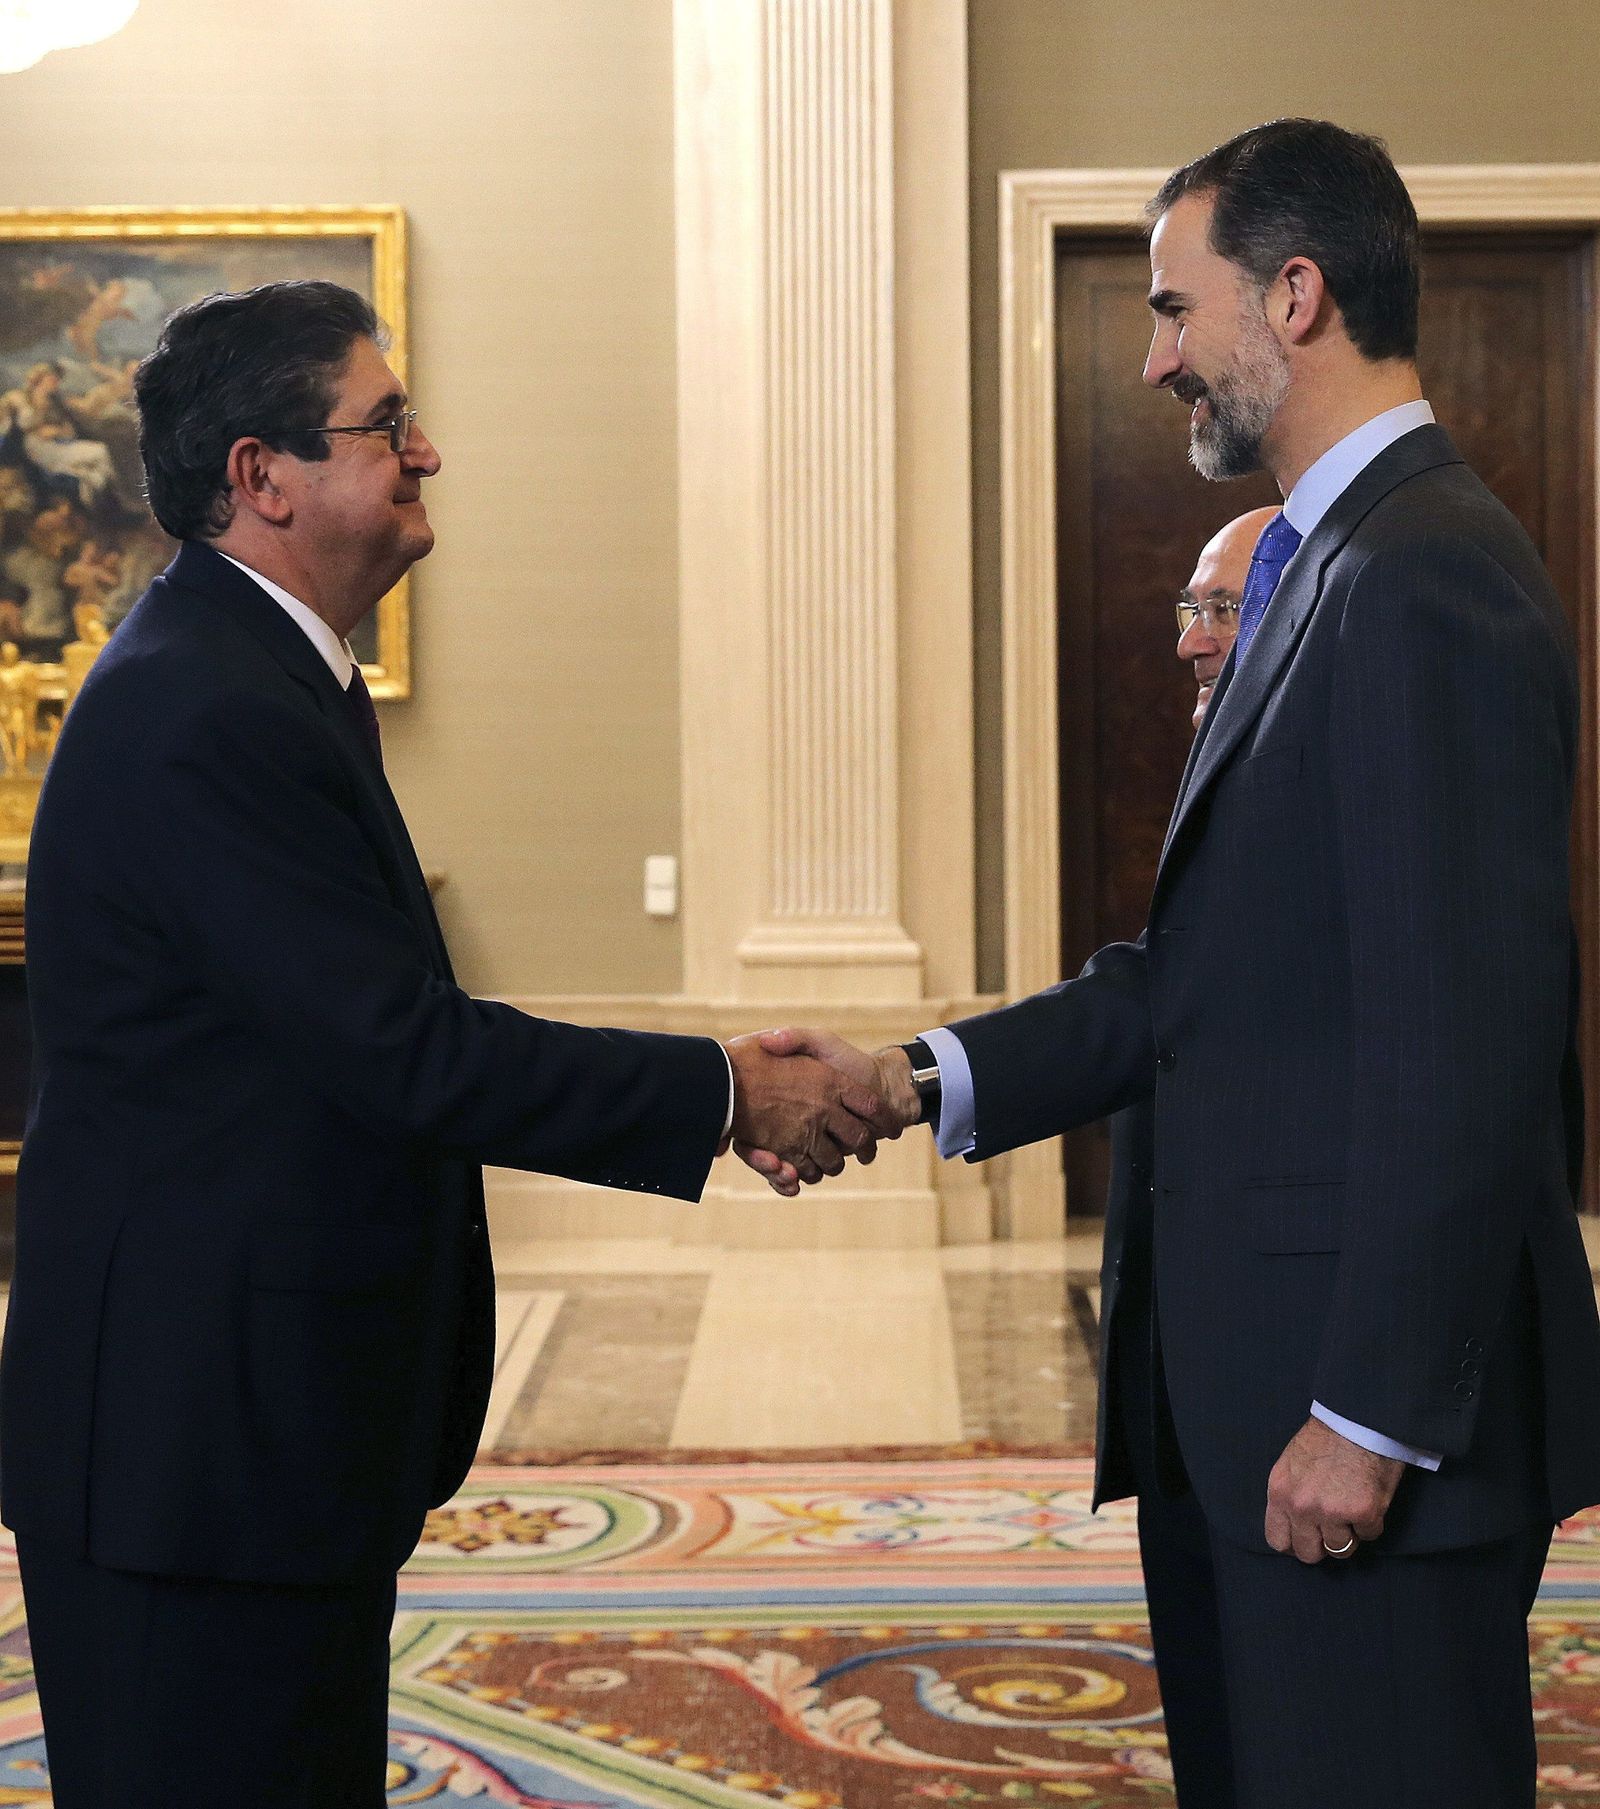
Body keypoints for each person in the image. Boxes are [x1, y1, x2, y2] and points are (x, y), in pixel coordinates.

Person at [745, 120, 1600, 1807]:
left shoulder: (1423, 576)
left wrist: (1369, 1414)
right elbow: (1199, 980)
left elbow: (1474, 1036)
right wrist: (911, 1079)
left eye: (1172, 307)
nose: (1151, 358)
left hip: (1344, 1413)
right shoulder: (1319, 566)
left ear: (1296, 294)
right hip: (1250, 1398)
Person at [0, 280, 893, 1809]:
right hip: (188, 1455)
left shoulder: (255, 673)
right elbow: (407, 1051)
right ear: (261, 475)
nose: (429, 454)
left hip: (247, 1433)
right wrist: (732, 1087)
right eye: (389, 424)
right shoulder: (207, 706)